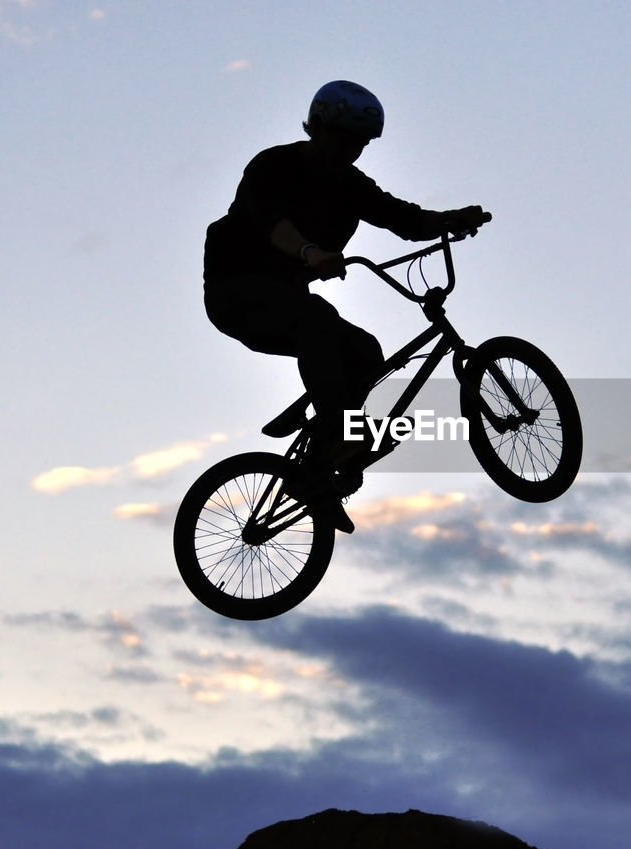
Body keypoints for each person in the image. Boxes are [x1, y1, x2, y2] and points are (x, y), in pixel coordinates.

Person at [203, 80, 486, 533]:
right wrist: (310, 253)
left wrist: (451, 222)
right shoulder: (273, 165)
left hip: (287, 299)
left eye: (361, 144)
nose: (352, 152)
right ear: (319, 128)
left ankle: (317, 470)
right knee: (317, 319)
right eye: (345, 140)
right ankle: (337, 434)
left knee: (364, 351)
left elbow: (404, 219)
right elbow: (270, 223)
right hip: (234, 291)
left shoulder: (351, 186)